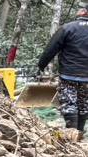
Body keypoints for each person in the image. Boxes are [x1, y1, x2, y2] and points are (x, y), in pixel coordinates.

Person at [36, 8, 88, 137]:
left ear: (83, 12)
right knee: (83, 104)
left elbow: (50, 49)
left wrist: (41, 65)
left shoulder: (67, 28)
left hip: (68, 75)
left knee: (69, 103)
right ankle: (79, 133)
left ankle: (72, 135)